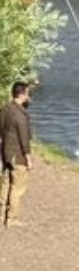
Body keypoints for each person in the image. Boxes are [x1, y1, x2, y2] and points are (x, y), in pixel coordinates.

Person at [0, 82, 33, 227]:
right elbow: (24, 139)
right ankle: (11, 218)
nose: (28, 96)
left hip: (6, 153)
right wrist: (28, 158)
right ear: (22, 94)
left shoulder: (5, 109)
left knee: (5, 184)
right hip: (17, 155)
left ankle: (1, 214)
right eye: (27, 93)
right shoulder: (21, 116)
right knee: (17, 187)